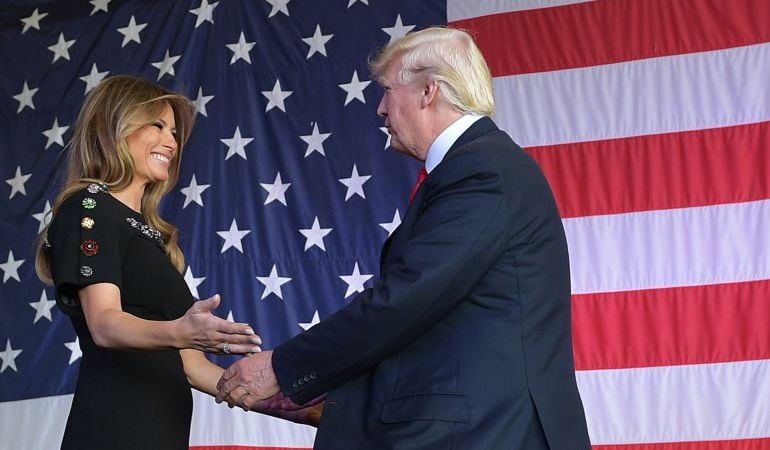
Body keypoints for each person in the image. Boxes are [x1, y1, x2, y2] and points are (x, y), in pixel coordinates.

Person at [217, 27, 592, 449]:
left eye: (388, 90)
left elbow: (408, 299)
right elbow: (434, 319)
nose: (379, 109)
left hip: (489, 433)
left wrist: (282, 368)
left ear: (429, 91)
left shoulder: (481, 171)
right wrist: (329, 381)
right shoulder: (476, 167)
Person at [35, 75, 264, 450]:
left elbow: (193, 367)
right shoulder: (90, 205)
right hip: (114, 430)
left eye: (174, 132)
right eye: (157, 125)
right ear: (115, 126)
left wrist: (297, 407)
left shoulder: (153, 235)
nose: (171, 142)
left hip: (161, 433)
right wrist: (181, 331)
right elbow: (105, 325)